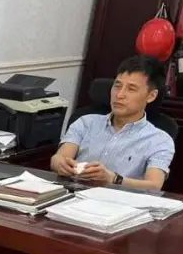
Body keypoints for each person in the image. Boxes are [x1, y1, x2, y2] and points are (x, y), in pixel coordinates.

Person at [50, 55, 174, 191]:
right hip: (74, 194)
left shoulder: (160, 140)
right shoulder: (85, 122)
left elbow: (154, 185)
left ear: (151, 96)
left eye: (131, 89)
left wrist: (114, 179)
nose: (119, 95)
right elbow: (59, 158)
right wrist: (60, 163)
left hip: (120, 201)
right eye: (117, 86)